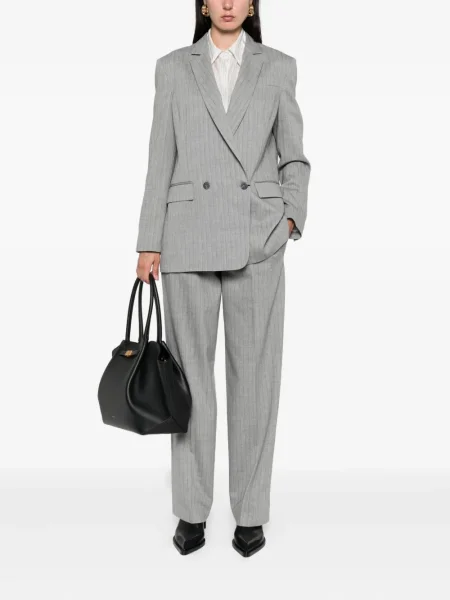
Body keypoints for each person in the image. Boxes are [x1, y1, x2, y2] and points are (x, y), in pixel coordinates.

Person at [135, 0, 311, 557]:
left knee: (256, 382)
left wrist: (290, 218)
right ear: (203, 4)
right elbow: (159, 158)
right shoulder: (172, 67)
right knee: (189, 384)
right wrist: (148, 241)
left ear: (252, 4)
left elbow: (293, 157)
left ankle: (251, 512)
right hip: (187, 238)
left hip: (257, 239)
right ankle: (192, 510)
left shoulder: (278, 66)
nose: (229, 3)